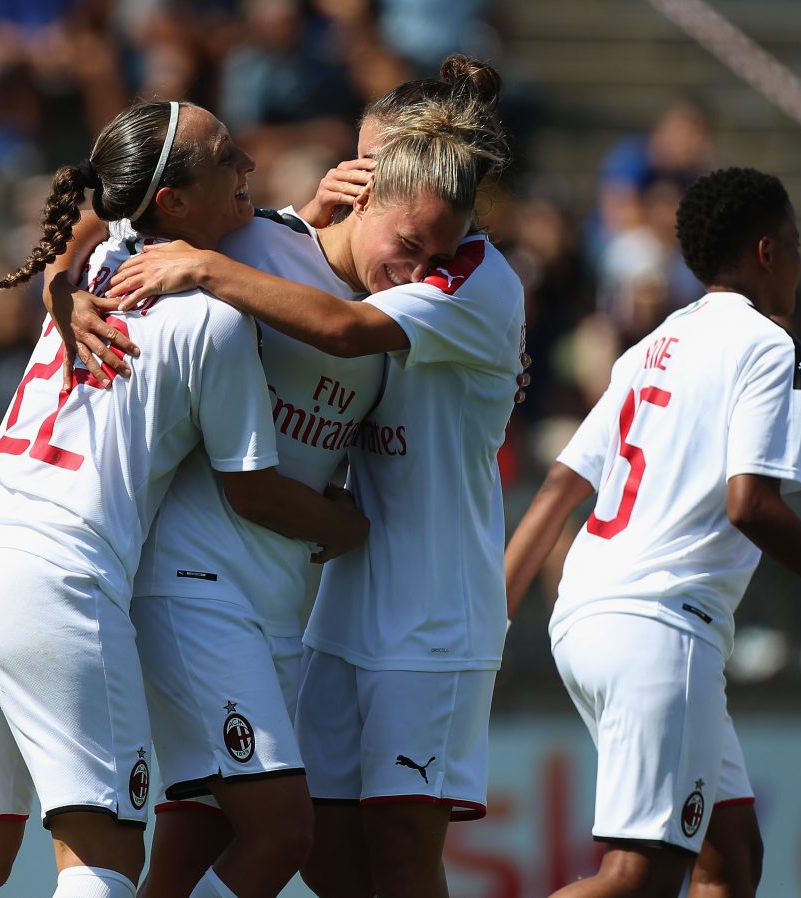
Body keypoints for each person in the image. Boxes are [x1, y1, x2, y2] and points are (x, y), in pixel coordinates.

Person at [0, 99, 369, 898]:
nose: (249, 168)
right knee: (103, 861)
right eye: (227, 157)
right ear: (172, 202)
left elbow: (83, 229)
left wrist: (61, 293)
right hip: (55, 581)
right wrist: (353, 524)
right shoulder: (215, 321)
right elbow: (254, 490)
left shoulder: (92, 266)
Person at [111, 58, 524, 898]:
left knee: (398, 855)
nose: (413, 268)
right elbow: (124, 221)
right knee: (317, 854)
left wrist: (214, 263)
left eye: (427, 250)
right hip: (326, 615)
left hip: (432, 616)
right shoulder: (285, 242)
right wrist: (64, 291)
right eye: (360, 161)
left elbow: (340, 327)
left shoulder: (470, 282)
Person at [504, 167, 801, 898]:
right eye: (796, 243)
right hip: (660, 624)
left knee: (729, 860)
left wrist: (489, 618)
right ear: (768, 251)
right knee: (640, 878)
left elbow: (559, 487)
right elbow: (751, 505)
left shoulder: (652, 347)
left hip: (587, 616)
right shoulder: (768, 346)